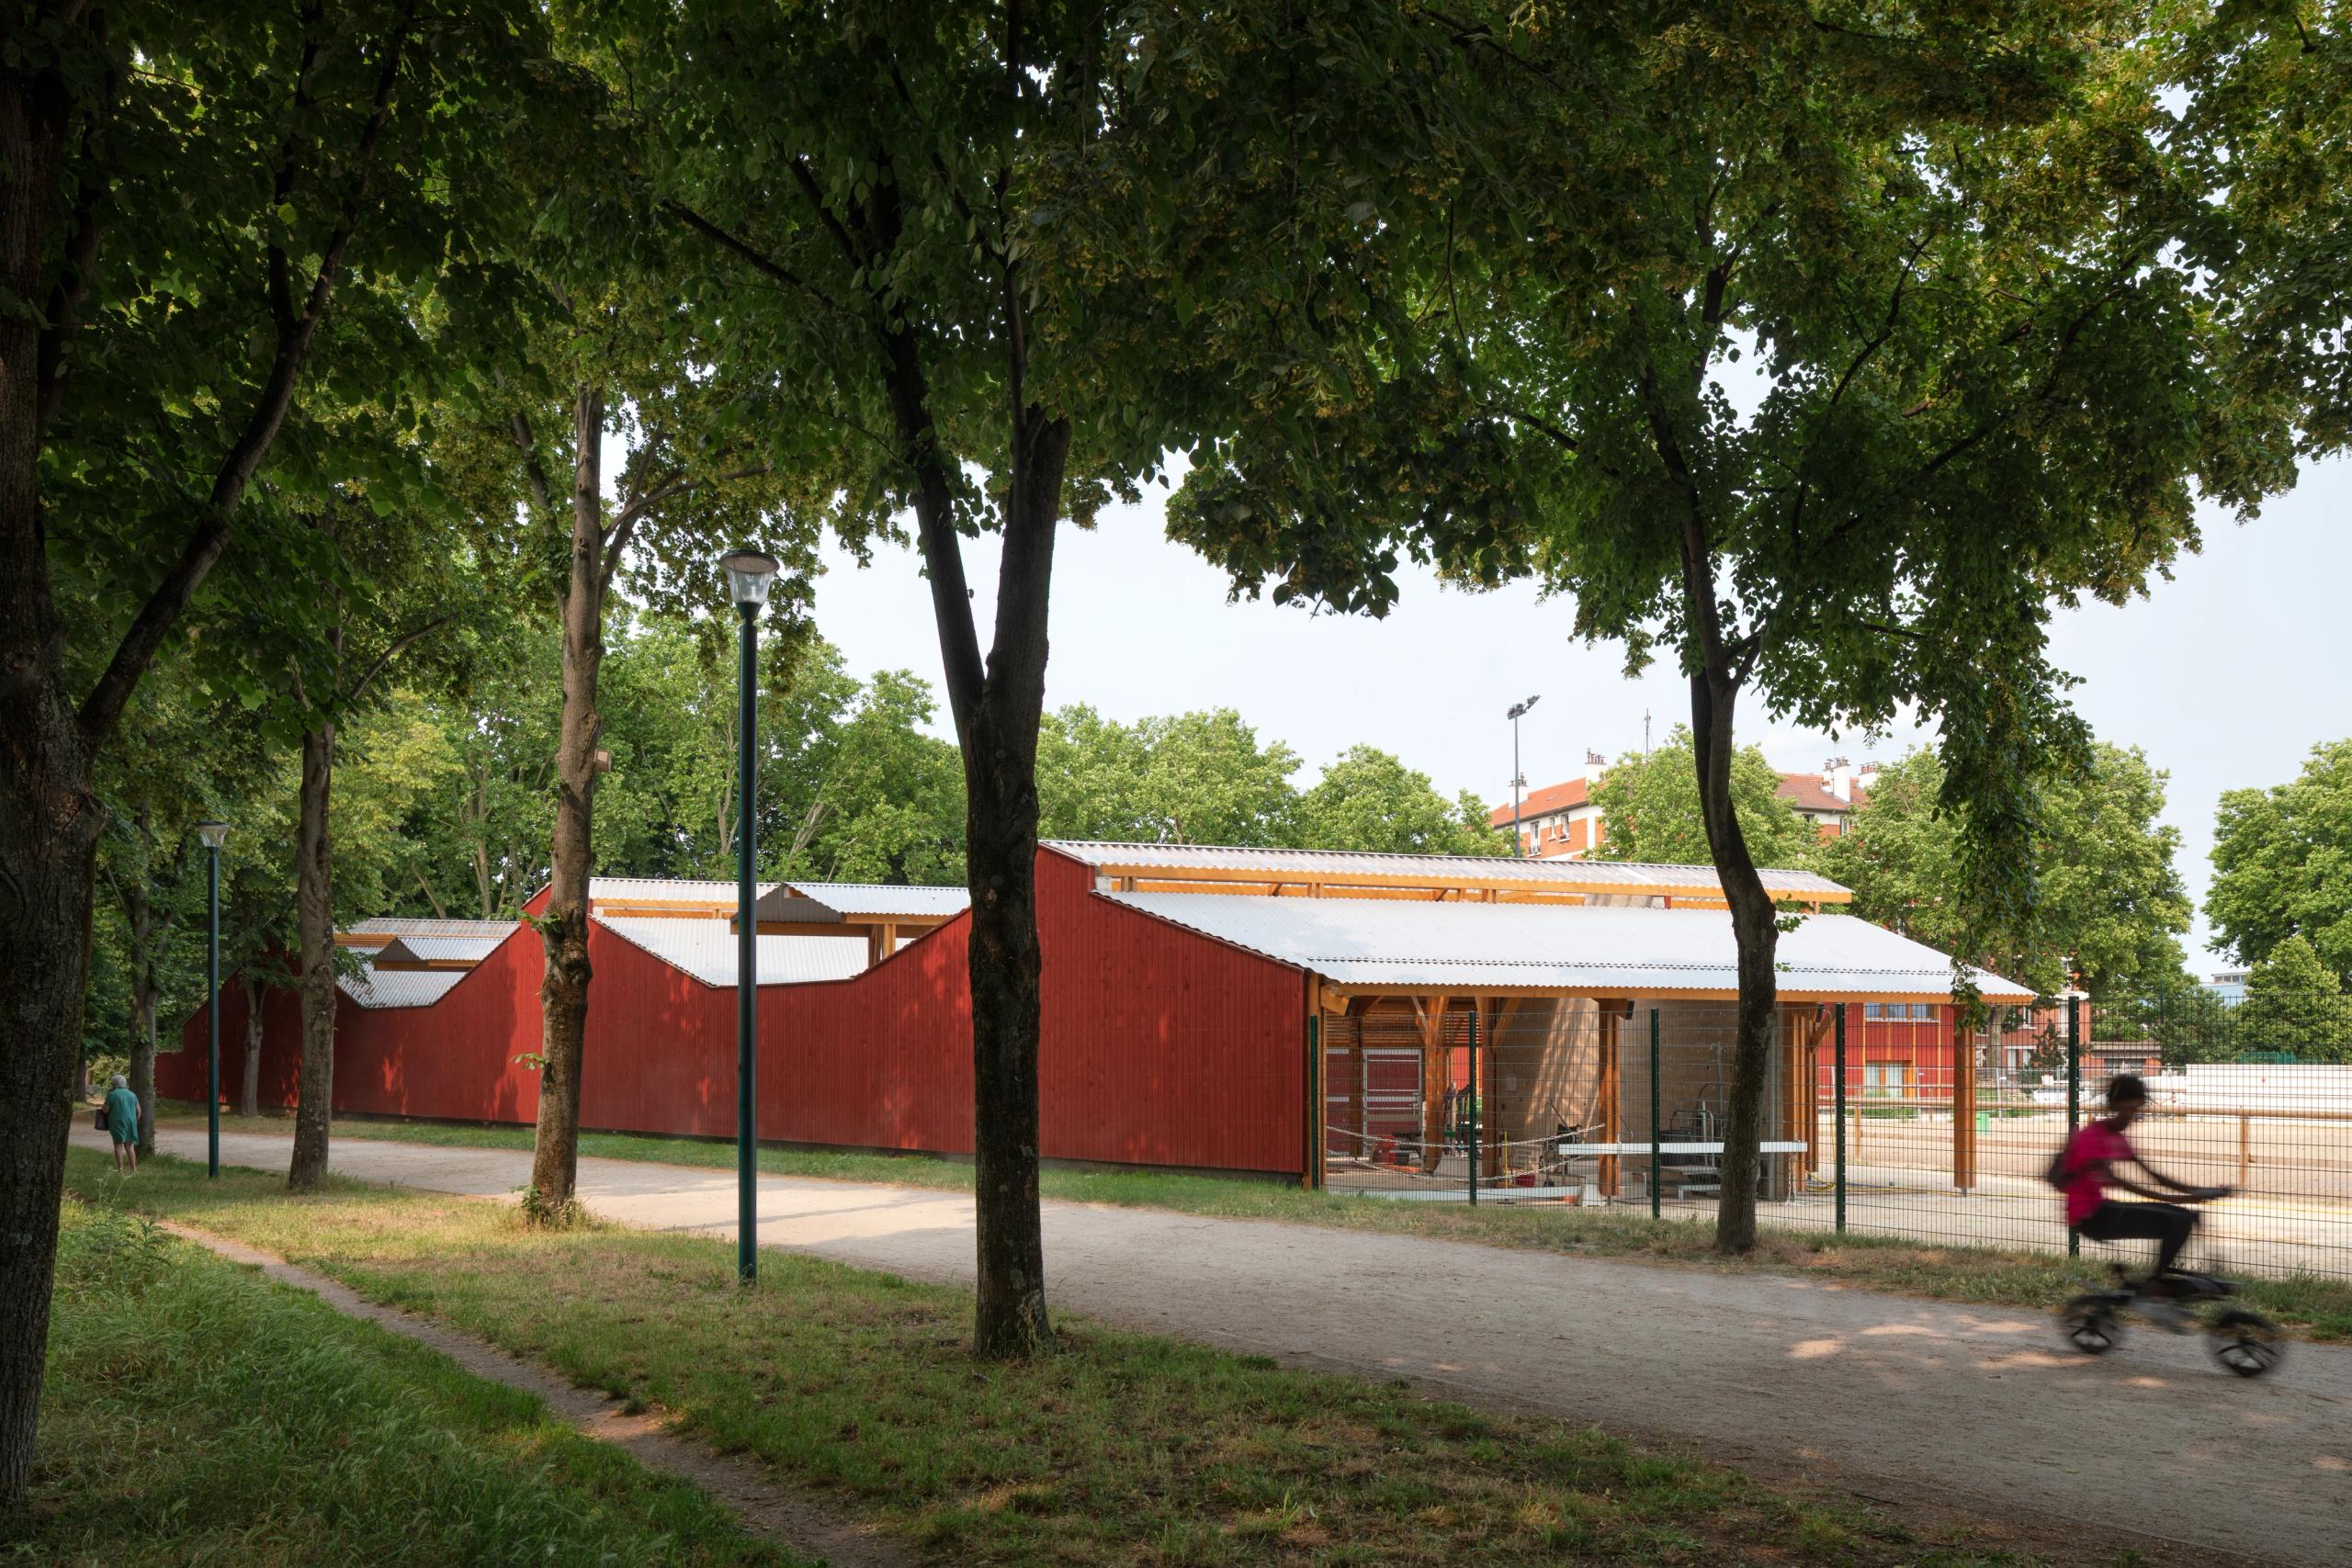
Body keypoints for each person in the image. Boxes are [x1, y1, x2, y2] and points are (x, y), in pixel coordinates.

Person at [2057, 1074, 2224, 1329]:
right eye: (2128, 1109)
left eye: (2136, 1110)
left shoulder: (2116, 1135)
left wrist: (2201, 1191)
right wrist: (2181, 1198)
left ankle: (2159, 1285)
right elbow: (2124, 1183)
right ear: (2114, 1106)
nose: (2132, 1116)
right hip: (2090, 1217)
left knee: (2188, 1217)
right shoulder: (2093, 1136)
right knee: (2175, 1220)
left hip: (2103, 1209)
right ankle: (2154, 1290)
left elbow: (2153, 1175)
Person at [103, 1074, 141, 1173]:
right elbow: (139, 1111)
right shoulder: (132, 1094)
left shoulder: (112, 1094)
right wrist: (135, 1122)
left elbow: (105, 1110)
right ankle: (134, 1170)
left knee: (118, 1145)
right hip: (131, 1122)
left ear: (114, 1084)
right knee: (129, 1146)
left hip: (117, 1122)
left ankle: (120, 1170)